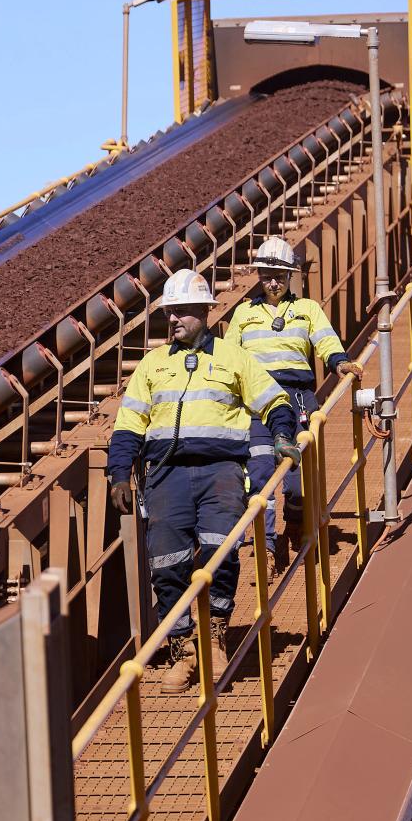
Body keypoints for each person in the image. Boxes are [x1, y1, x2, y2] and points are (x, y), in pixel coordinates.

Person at [108, 268, 298, 694]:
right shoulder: (153, 365)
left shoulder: (233, 357)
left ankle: (213, 639)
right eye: (169, 313)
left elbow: (275, 400)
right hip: (166, 477)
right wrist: (120, 472)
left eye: (182, 312)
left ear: (205, 313)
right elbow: (128, 425)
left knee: (220, 555)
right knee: (167, 564)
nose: (174, 320)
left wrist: (283, 435)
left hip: (221, 474)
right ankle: (184, 651)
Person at [226, 237, 361, 570]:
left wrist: (340, 362)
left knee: (298, 477)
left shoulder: (306, 309)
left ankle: (298, 522)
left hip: (298, 397)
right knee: (259, 474)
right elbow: (229, 358)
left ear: (291, 277)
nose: (274, 282)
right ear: (259, 275)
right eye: (268, 274)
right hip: (258, 403)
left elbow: (326, 340)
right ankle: (266, 548)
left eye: (281, 275)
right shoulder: (243, 313)